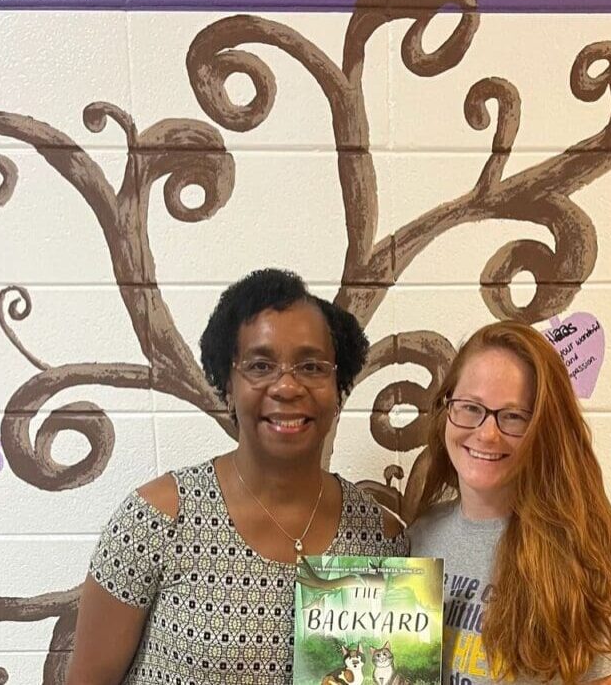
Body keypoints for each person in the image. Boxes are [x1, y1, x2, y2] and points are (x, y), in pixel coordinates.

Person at [66, 268, 407, 685]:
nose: (286, 386)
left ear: (338, 387)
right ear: (228, 385)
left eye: (312, 367)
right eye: (260, 365)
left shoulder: (379, 537)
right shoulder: (157, 522)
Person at [408, 321, 611, 684]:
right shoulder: (417, 540)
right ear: (447, 409)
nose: (487, 433)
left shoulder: (584, 558)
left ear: (544, 429)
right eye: (471, 407)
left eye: (513, 417)